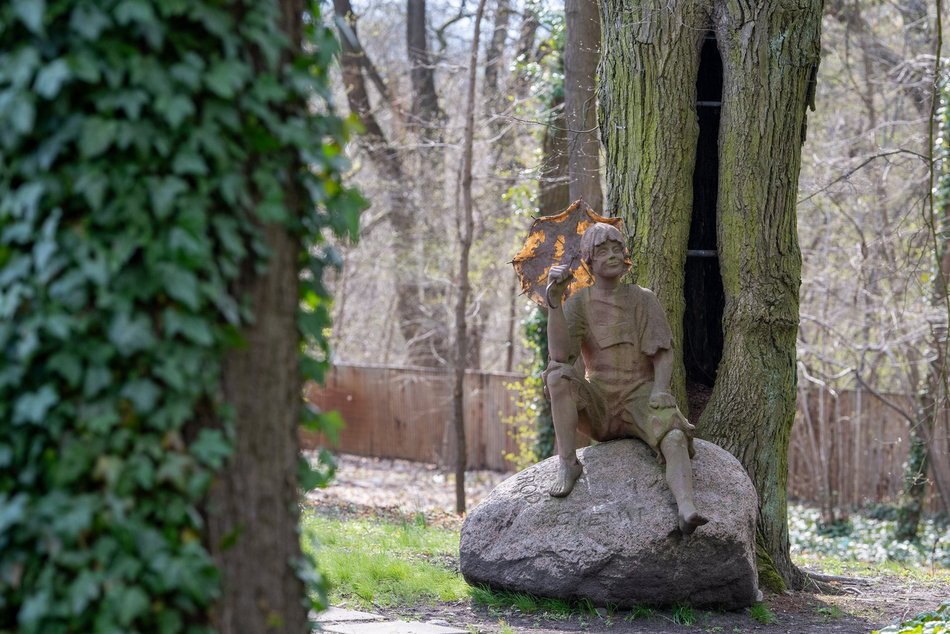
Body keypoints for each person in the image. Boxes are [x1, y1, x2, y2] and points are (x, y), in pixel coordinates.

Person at [543, 222, 708, 535]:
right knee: (557, 376)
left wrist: (660, 389)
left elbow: (662, 351)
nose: (612, 255)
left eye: (616, 248)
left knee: (674, 436)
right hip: (600, 402)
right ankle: (568, 463)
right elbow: (561, 355)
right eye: (602, 251)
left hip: (641, 396)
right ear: (588, 262)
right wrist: (554, 302)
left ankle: (686, 506)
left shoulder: (643, 299)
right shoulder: (579, 303)